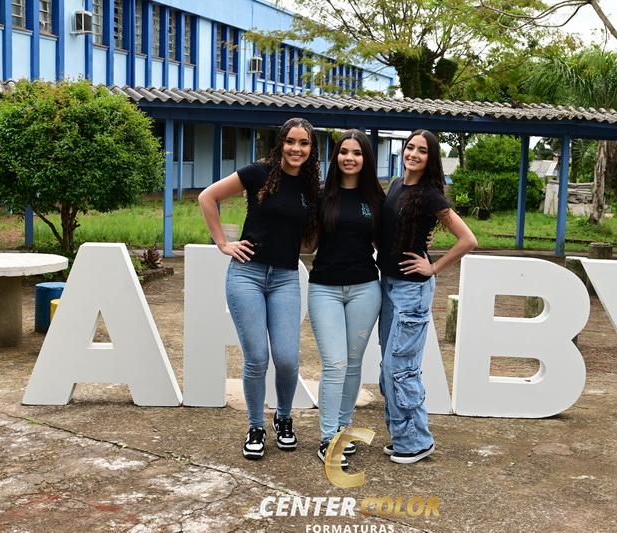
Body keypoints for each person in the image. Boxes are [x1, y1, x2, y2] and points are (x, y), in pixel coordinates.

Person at [198, 118, 320, 460]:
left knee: (287, 359)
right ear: (281, 142)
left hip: (285, 279)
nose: (296, 149)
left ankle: (284, 418)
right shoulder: (258, 173)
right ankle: (256, 427)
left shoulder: (312, 187)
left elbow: (310, 242)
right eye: (291, 141)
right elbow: (208, 197)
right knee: (256, 358)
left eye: (304, 143)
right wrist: (223, 243)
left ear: (312, 150)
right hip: (247, 276)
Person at [377, 129, 477, 464]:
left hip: (412, 290)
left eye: (422, 150)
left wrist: (433, 268)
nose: (414, 154)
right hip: (389, 284)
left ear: (430, 158)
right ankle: (402, 436)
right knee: (389, 365)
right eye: (410, 147)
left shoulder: (430, 195)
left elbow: (468, 239)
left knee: (400, 367)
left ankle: (417, 441)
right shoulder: (396, 185)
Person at [307, 130, 385, 466]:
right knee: (335, 363)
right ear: (336, 156)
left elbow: (389, 242)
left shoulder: (376, 199)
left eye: (357, 153)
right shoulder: (321, 196)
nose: (349, 158)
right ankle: (328, 438)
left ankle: (343, 426)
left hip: (365, 289)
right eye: (344, 152)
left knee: (353, 364)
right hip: (324, 288)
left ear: (366, 159)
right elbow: (306, 242)